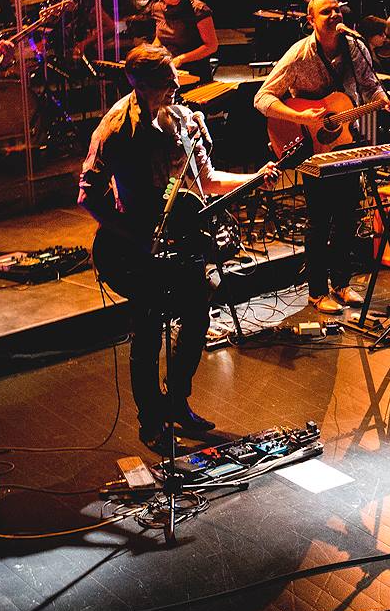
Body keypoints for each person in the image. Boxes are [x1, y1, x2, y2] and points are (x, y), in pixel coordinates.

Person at [79, 44, 274, 450]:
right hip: (132, 248)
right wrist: (132, 235)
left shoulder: (183, 119)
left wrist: (253, 176)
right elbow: (88, 197)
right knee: (148, 331)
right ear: (141, 85)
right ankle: (150, 419)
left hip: (178, 240)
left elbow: (208, 182)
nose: (176, 85)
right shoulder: (115, 129)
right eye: (167, 80)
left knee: (199, 311)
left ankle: (176, 400)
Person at [254, 0, 390, 315]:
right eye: (325, 11)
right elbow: (262, 98)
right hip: (310, 145)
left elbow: (370, 85)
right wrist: (301, 118)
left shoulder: (355, 46)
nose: (334, 14)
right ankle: (316, 291)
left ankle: (342, 284)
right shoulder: (299, 55)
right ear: (311, 19)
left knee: (348, 216)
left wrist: (383, 99)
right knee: (320, 220)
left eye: (337, 9)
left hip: (345, 141)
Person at [146, 0, 218, 73]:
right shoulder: (157, 8)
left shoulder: (198, 9)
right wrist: (150, 53)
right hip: (170, 70)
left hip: (195, 71)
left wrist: (181, 59)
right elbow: (161, 37)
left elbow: (211, 45)